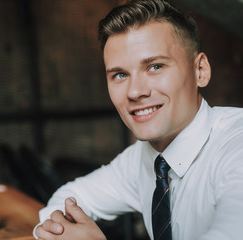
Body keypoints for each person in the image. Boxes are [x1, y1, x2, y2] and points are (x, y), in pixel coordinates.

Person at [34, 0, 243, 239]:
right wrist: (60, 230)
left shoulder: (237, 149)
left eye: (155, 67)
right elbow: (68, 197)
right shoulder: (144, 158)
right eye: (120, 74)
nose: (134, 92)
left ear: (200, 71)